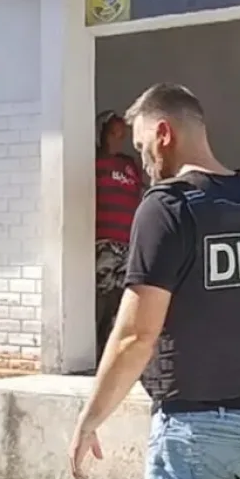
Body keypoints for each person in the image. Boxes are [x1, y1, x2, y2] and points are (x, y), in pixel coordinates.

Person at [69, 83, 240, 479]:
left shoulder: (167, 206)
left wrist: (90, 418)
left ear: (164, 133)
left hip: (195, 433)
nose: (142, 159)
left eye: (142, 145)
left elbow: (136, 336)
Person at [95, 110, 144, 362]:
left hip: (127, 242)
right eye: (113, 133)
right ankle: (96, 350)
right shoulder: (95, 162)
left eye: (122, 134)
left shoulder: (129, 166)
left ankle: (111, 351)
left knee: (121, 298)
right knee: (102, 296)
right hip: (103, 242)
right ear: (102, 133)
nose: (118, 139)